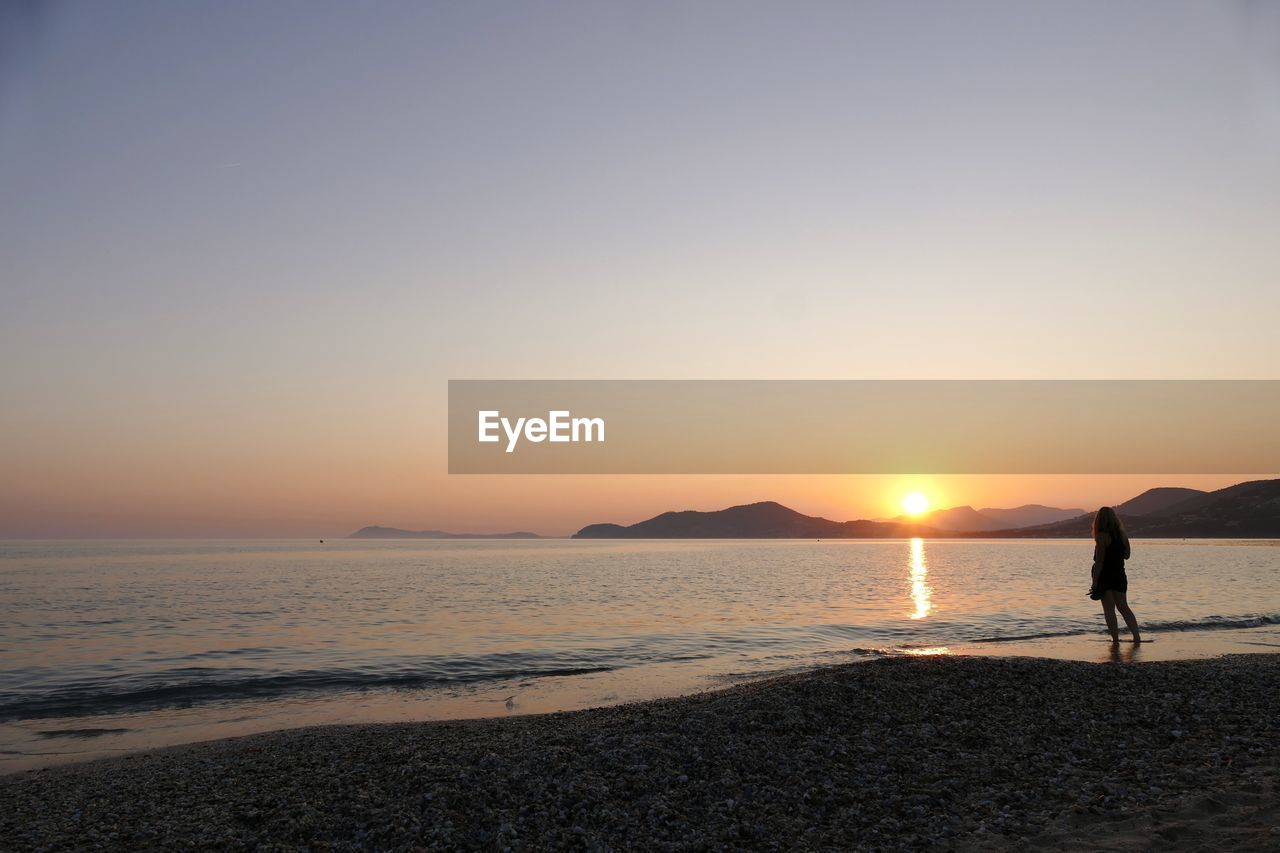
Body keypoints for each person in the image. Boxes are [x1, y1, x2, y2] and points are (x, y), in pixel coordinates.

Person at [1088, 506, 1141, 643]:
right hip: (1119, 573)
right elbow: (1127, 555)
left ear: (1099, 520)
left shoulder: (1101, 536)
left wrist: (1094, 582)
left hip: (1105, 575)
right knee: (1124, 607)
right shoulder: (1122, 535)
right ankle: (1136, 637)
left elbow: (1100, 561)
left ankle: (1116, 640)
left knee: (1109, 609)